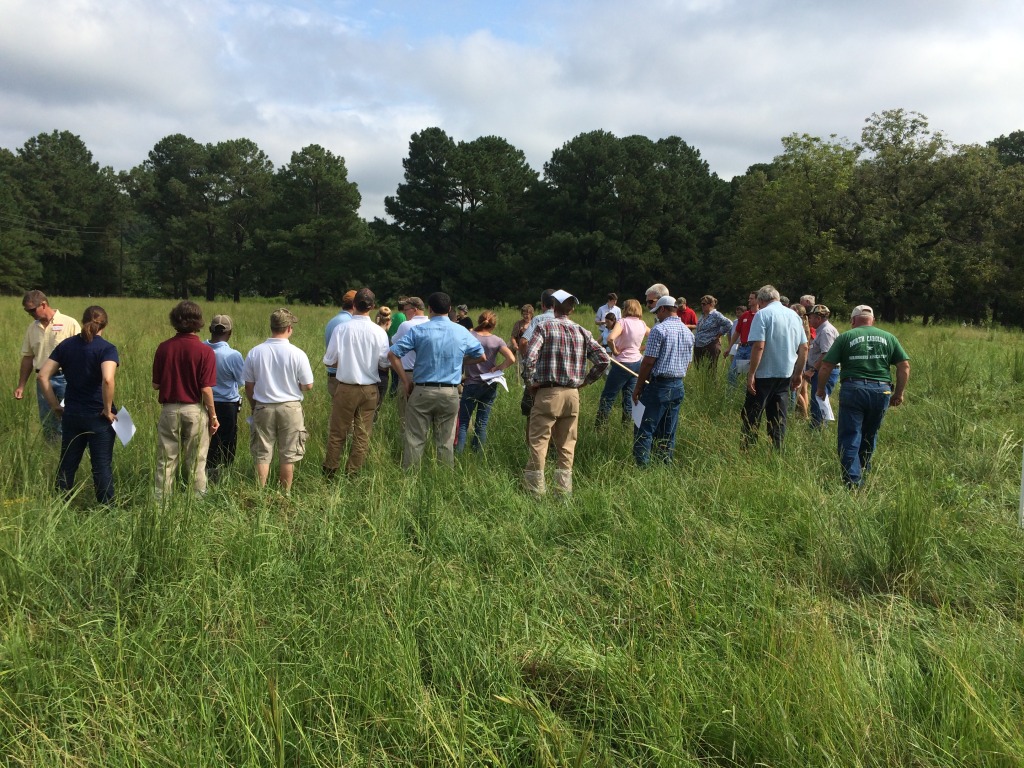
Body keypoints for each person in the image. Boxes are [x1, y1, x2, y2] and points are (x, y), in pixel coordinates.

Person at [522, 289, 610, 496]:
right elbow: (604, 360)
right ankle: (562, 492)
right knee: (567, 445)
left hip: (548, 392)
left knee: (539, 442)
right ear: (572, 308)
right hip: (572, 394)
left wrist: (530, 383)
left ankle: (535, 492)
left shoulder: (544, 327)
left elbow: (529, 359)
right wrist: (585, 382)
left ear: (553, 305)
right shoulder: (582, 331)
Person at [817, 305, 910, 488]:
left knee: (851, 434)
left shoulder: (846, 337)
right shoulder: (889, 337)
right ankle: (864, 469)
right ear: (872, 320)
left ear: (853, 320)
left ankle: (852, 481)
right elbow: (904, 366)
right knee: (870, 433)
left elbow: (827, 365)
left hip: (853, 389)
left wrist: (821, 389)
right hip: (881, 390)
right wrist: (899, 393)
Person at [388, 292, 485, 469]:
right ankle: (444, 479)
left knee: (415, 440)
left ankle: (410, 480)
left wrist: (405, 381)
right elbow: (481, 356)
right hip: (450, 392)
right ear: (449, 309)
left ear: (430, 309)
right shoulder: (461, 331)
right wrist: (460, 360)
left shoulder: (419, 330)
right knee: (445, 442)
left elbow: (392, 354)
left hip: (422, 390)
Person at [37, 306, 118, 504]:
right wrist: (107, 410)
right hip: (98, 416)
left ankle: (60, 503)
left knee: (67, 463)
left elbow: (42, 376)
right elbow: (108, 379)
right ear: (104, 324)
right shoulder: (107, 348)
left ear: (82, 322)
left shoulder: (66, 346)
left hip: (72, 413)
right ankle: (107, 509)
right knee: (101, 465)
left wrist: (55, 406)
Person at [152, 301, 219, 499]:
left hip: (169, 409)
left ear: (175, 320)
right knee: (197, 460)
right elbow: (205, 389)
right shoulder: (205, 351)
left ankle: (161, 502)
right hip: (195, 409)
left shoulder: (163, 348)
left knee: (166, 460)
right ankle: (198, 500)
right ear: (198, 322)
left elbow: (156, 385)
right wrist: (213, 415)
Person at [244, 309, 315, 492]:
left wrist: (254, 406)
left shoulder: (255, 352)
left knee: (262, 453)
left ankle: (260, 493)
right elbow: (308, 385)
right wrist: (292, 386)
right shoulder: (297, 353)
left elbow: (249, 386)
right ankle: (285, 495)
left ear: (272, 326)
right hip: (290, 408)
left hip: (263, 407)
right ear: (289, 328)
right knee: (288, 454)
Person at [323, 289, 390, 477]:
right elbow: (384, 363)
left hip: (345, 386)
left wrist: (346, 362)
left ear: (353, 305)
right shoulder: (379, 332)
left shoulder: (341, 329)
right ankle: (353, 473)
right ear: (373, 307)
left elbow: (329, 360)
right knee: (362, 435)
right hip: (369, 389)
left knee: (338, 432)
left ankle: (330, 471)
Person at [741, 285, 808, 450]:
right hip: (785, 374)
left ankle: (747, 451)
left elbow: (759, 346)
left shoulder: (762, 314)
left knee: (752, 416)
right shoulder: (794, 315)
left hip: (764, 374)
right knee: (778, 417)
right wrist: (798, 374)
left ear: (761, 301)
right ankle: (776, 452)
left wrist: (751, 374)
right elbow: (805, 347)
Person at [632, 296, 694, 466]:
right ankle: (664, 465)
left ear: (662, 310)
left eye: (657, 312)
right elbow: (688, 364)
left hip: (659, 386)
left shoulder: (659, 330)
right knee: (668, 430)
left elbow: (648, 362)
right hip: (678, 385)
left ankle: (642, 468)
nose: (657, 316)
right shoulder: (688, 332)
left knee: (644, 427)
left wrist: (637, 387)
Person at [15, 290, 81, 442]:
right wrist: (21, 385)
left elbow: (81, 353)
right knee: (48, 420)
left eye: (32, 310)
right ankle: (52, 453)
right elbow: (28, 357)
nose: (30, 314)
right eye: (27, 311)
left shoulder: (69, 323)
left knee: (70, 417)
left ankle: (72, 450)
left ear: (43, 305)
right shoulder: (32, 328)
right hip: (42, 381)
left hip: (66, 379)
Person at [456, 310, 516, 453]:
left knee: (463, 422)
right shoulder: (497, 340)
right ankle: (477, 453)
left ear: (479, 321)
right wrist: (498, 367)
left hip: (471, 383)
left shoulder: (469, 336)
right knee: (482, 423)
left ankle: (458, 453)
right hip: (489, 384)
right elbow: (512, 359)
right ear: (493, 326)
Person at [596, 298, 649, 427]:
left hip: (622, 364)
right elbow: (654, 337)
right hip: (637, 363)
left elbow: (610, 338)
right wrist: (640, 348)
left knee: (608, 396)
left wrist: (615, 351)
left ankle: (600, 427)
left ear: (627, 309)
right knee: (629, 397)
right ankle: (626, 426)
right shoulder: (642, 324)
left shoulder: (623, 322)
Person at [204, 314, 245, 482]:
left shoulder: (200, 349)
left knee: (207, 442)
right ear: (230, 333)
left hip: (203, 403)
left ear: (210, 330)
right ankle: (221, 479)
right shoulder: (233, 355)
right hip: (227, 405)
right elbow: (241, 380)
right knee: (226, 444)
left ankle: (204, 476)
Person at [518, 289, 557, 435]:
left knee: (531, 412)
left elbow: (523, 342)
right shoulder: (565, 320)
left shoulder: (538, 320)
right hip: (559, 379)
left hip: (538, 376)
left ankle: (531, 445)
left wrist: (526, 358)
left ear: (542, 305)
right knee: (554, 416)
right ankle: (552, 449)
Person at [390, 296, 428, 430]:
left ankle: (405, 447)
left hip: (408, 375)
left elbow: (393, 342)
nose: (404, 313)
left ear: (415, 310)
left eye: (406, 310)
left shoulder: (406, 325)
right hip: (427, 375)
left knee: (405, 416)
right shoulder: (430, 323)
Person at [803, 304, 840, 429]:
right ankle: (819, 427)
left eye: (811, 317)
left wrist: (813, 369)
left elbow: (826, 354)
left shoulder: (826, 331)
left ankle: (818, 429)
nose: (809, 320)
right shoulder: (821, 331)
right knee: (818, 400)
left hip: (824, 372)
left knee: (819, 401)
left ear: (818, 318)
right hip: (820, 371)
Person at [324, 290, 357, 399]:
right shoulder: (349, 323)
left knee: (336, 413)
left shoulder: (332, 321)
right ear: (354, 305)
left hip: (332, 375)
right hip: (343, 377)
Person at [692, 295, 734, 372]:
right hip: (698, 345)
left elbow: (729, 324)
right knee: (698, 370)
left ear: (711, 304)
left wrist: (720, 334)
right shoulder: (702, 315)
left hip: (710, 344)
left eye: (704, 304)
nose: (702, 305)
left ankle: (711, 384)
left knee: (710, 371)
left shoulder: (716, 315)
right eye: (701, 304)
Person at [727, 291, 758, 387]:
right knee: (732, 373)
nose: (749, 300)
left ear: (758, 300)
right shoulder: (745, 315)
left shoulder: (761, 315)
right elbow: (737, 332)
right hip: (742, 348)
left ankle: (747, 396)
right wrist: (729, 347)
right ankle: (730, 397)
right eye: (749, 298)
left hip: (753, 349)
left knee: (750, 376)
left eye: (752, 298)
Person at [791, 304, 812, 418]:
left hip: (797, 361)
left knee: (795, 388)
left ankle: (804, 415)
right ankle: (804, 414)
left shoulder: (799, 325)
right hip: (801, 360)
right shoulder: (804, 325)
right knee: (801, 389)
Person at [374, 306, 393, 407]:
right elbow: (384, 362)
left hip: (367, 373)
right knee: (375, 409)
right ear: (388, 322)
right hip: (381, 375)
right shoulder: (384, 335)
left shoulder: (371, 331)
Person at [509, 304, 534, 380]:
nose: (526, 316)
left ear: (531, 314)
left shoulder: (534, 323)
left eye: (527, 314)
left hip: (532, 350)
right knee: (520, 368)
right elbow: (513, 337)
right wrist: (515, 344)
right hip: (520, 349)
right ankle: (519, 384)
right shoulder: (518, 324)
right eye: (524, 314)